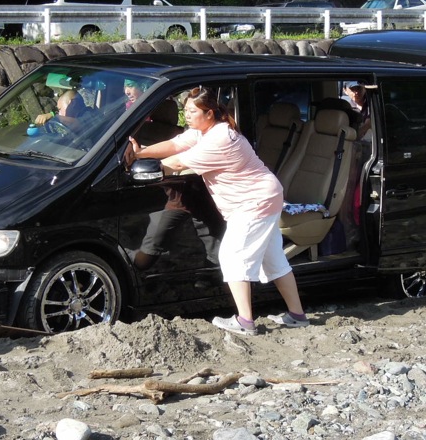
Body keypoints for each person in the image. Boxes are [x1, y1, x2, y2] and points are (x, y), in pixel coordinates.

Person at [125, 87, 309, 334]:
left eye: (192, 111)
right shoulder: (206, 131)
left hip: (253, 203)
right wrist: (140, 152)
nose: (186, 115)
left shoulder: (219, 140)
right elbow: (176, 143)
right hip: (263, 197)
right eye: (185, 110)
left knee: (232, 258)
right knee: (273, 258)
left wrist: (138, 167)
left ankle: (245, 322)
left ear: (209, 113)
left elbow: (177, 163)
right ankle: (297, 315)